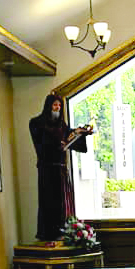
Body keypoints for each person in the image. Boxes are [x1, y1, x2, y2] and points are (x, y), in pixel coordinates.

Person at [29, 92, 90, 241]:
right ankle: (49, 234)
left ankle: (64, 231)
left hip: (61, 170)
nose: (57, 108)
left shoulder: (61, 124)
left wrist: (80, 133)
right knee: (49, 203)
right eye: (55, 105)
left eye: (59, 106)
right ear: (48, 106)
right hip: (47, 170)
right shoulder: (37, 123)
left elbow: (69, 136)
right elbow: (42, 144)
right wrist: (58, 143)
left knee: (63, 203)